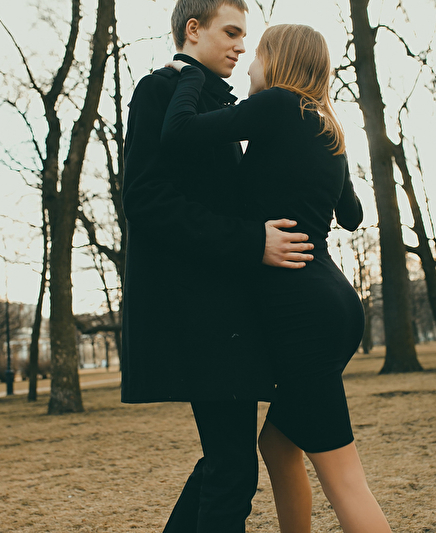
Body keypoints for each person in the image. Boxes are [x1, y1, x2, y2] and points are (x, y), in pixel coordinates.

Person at [162, 24, 393, 533]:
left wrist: (188, 76)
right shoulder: (325, 127)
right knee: (277, 445)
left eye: (259, 54)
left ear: (279, 61)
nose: (249, 64)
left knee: (344, 477)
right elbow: (351, 214)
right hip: (333, 306)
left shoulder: (279, 105)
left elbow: (179, 132)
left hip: (304, 317)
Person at [120, 1, 315, 532]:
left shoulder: (216, 102)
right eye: (230, 32)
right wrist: (253, 241)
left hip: (226, 313)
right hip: (198, 314)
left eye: (243, 35)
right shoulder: (159, 91)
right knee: (231, 468)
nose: (241, 46)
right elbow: (144, 199)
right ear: (193, 29)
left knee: (225, 465)